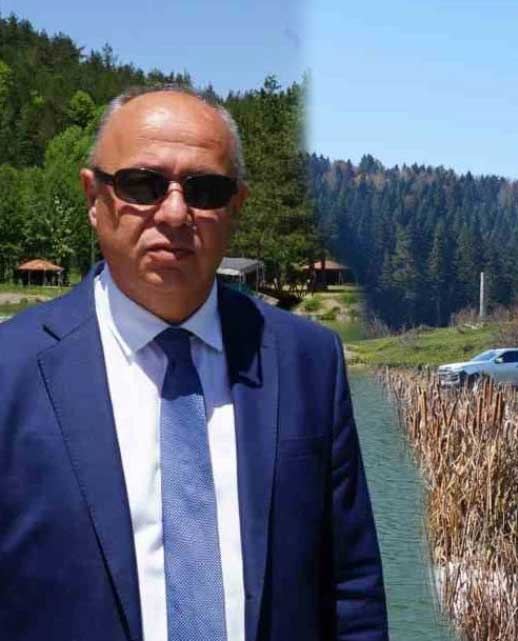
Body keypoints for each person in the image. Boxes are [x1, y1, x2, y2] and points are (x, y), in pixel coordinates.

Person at [0, 87, 387, 640]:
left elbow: (352, 594)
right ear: (93, 196)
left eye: (204, 189)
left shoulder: (309, 363)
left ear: (236, 207)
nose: (176, 212)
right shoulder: (9, 371)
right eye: (142, 184)